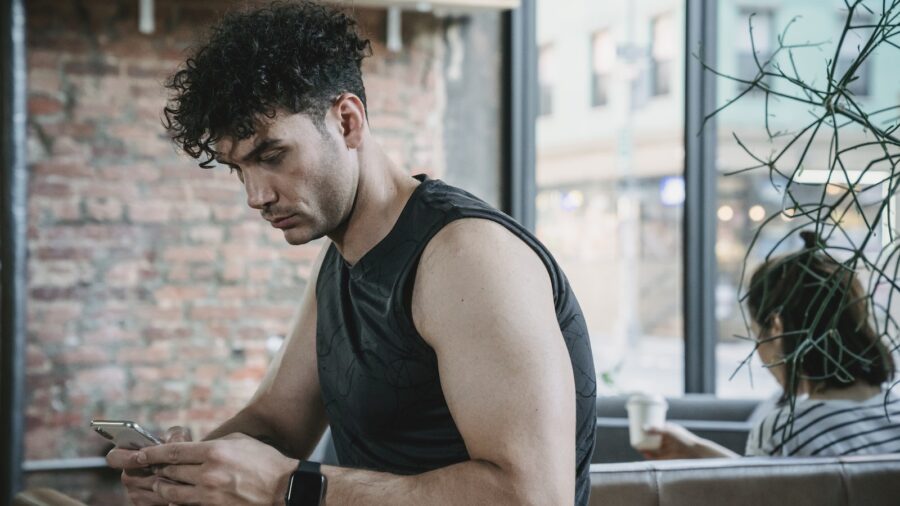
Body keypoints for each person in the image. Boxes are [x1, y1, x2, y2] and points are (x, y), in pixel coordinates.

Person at [105, 2, 597, 505]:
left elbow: (535, 496)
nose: (256, 196)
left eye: (272, 156)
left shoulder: (466, 257)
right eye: (239, 169)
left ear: (347, 121)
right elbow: (276, 421)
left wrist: (284, 486)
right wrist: (184, 471)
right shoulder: (342, 258)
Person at [643, 231, 898, 460]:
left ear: (777, 327)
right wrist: (696, 449)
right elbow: (770, 482)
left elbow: (759, 488)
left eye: (756, 335)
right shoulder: (893, 411)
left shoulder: (786, 432)